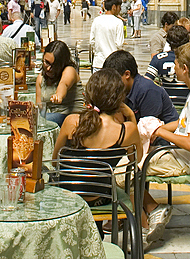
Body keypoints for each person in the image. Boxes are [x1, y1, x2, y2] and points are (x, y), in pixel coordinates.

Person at [142, 42, 190, 243]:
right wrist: (159, 127)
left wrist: (160, 133)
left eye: (176, 64)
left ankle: (151, 215)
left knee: (128, 169)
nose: (173, 67)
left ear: (184, 69)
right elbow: (182, 123)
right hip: (182, 156)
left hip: (184, 161)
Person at [52, 69, 144, 221]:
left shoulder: (71, 122)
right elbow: (136, 159)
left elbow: (56, 160)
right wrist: (131, 116)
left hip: (68, 196)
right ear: (120, 99)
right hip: (101, 197)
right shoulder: (126, 130)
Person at [103, 50, 178, 126]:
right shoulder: (122, 90)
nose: (110, 83)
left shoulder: (147, 90)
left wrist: (130, 114)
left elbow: (147, 130)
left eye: (113, 79)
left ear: (127, 74)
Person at [37, 40, 85, 126]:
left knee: (44, 119)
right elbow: (39, 106)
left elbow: (64, 84)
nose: (48, 69)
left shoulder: (69, 70)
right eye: (46, 63)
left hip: (75, 119)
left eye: (54, 65)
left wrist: (59, 95)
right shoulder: (40, 78)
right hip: (55, 120)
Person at [90, 0, 124, 69]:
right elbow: (119, 44)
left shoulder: (96, 20)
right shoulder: (118, 22)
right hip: (113, 64)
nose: (120, 9)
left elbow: (92, 41)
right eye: (119, 7)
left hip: (98, 62)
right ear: (114, 7)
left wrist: (98, 52)